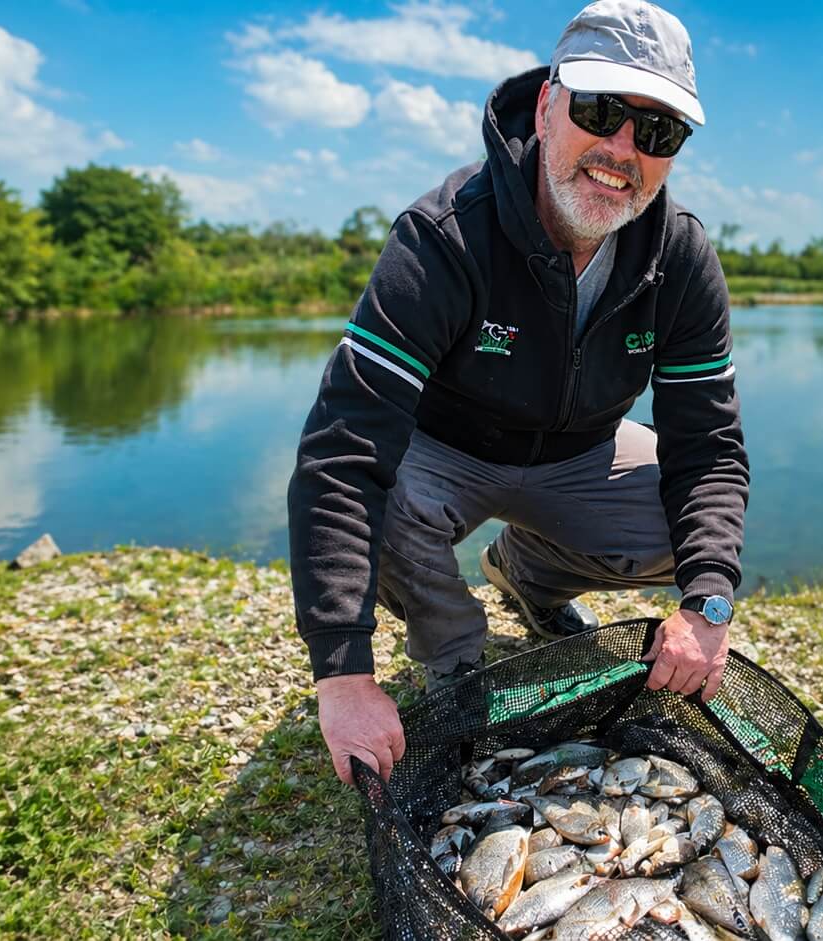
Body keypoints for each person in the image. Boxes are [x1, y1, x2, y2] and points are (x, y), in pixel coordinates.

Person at [287, 0, 749, 786]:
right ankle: (457, 663)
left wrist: (707, 604)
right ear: (546, 104)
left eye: (658, 131)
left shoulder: (683, 258)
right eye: (601, 111)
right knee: (383, 495)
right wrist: (342, 672)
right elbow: (341, 453)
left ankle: (527, 574)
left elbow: (709, 448)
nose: (621, 149)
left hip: (581, 454)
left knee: (696, 535)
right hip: (443, 454)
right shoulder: (440, 239)